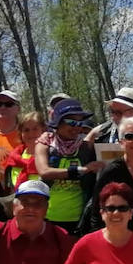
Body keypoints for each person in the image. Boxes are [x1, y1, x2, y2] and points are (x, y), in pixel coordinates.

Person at [36, 99, 103, 232]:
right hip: (48, 216)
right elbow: (44, 171)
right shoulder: (44, 144)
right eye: (71, 122)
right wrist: (83, 170)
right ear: (58, 122)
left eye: (80, 123)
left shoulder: (85, 146)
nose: (76, 127)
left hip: (79, 219)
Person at [0, 111, 45, 194]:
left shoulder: (50, 156)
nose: (31, 133)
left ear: (43, 130)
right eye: (26, 130)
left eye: (35, 129)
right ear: (21, 133)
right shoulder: (13, 158)